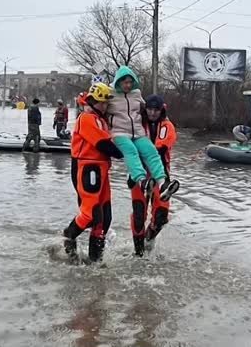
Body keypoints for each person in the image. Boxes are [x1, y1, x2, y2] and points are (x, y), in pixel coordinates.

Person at [62, 82, 123, 262]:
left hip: (102, 169)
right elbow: (103, 144)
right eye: (101, 102)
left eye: (106, 103)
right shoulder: (86, 118)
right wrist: (126, 153)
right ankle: (68, 235)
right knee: (91, 214)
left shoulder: (101, 120)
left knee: (105, 218)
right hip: (87, 168)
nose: (104, 106)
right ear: (93, 101)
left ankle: (95, 259)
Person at [107, 65, 172, 196]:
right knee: (131, 151)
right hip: (119, 132)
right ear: (118, 81)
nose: (128, 85)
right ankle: (141, 180)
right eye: (125, 82)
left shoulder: (136, 94)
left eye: (130, 82)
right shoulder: (110, 94)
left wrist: (163, 114)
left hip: (137, 132)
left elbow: (146, 106)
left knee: (151, 151)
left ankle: (162, 182)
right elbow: (98, 104)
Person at [128, 95, 178, 256]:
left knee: (161, 215)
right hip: (139, 174)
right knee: (138, 214)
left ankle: (149, 236)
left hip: (160, 174)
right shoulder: (137, 125)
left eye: (156, 110)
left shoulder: (167, 126)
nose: (152, 113)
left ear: (161, 110)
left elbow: (161, 148)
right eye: (149, 109)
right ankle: (138, 251)